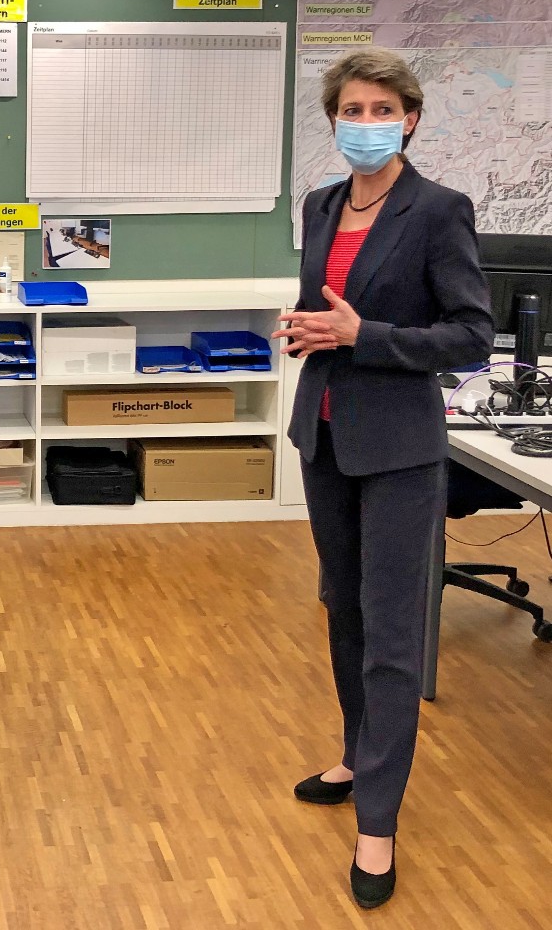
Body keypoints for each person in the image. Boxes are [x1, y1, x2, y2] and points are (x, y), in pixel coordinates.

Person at [273, 48, 493, 909]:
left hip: (400, 447)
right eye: (351, 110)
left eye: (381, 109)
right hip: (325, 435)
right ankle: (356, 755)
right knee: (344, 610)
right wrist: (308, 329)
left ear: (410, 119)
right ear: (333, 120)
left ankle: (378, 822)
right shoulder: (322, 204)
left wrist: (363, 337)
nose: (365, 123)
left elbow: (470, 335)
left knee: (394, 636)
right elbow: (330, 310)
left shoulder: (439, 210)